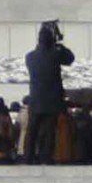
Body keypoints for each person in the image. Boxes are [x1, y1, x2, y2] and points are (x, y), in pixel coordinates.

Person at [24, 23, 73, 163]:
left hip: (35, 99)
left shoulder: (30, 57)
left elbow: (40, 50)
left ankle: (28, 157)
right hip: (52, 101)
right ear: (51, 41)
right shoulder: (55, 55)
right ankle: (46, 158)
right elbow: (70, 59)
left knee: (32, 131)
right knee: (49, 132)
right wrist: (59, 44)